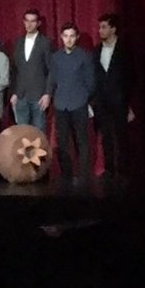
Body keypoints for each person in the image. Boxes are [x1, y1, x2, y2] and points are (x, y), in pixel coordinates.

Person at [92, 13, 135, 184]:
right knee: (106, 137)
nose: (100, 30)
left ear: (113, 29)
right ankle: (109, 170)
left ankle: (124, 170)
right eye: (99, 27)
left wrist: (129, 102)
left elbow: (131, 77)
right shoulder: (96, 50)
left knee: (121, 136)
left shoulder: (124, 50)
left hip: (120, 101)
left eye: (104, 27)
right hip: (102, 103)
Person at [49, 22, 95, 184]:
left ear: (77, 38)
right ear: (61, 37)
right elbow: (52, 80)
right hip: (61, 104)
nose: (68, 40)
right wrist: (50, 96)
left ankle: (83, 176)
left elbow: (91, 82)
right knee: (62, 143)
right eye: (66, 36)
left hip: (78, 103)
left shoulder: (84, 56)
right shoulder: (56, 57)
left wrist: (84, 99)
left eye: (72, 36)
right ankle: (66, 175)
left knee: (81, 141)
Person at [9, 9, 52, 132]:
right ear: (23, 22)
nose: (29, 24)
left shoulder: (45, 42)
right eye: (27, 21)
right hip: (21, 97)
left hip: (39, 98)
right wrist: (14, 93)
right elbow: (14, 70)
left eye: (33, 21)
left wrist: (47, 94)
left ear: (38, 23)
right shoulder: (18, 42)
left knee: (38, 136)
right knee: (22, 136)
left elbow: (51, 70)